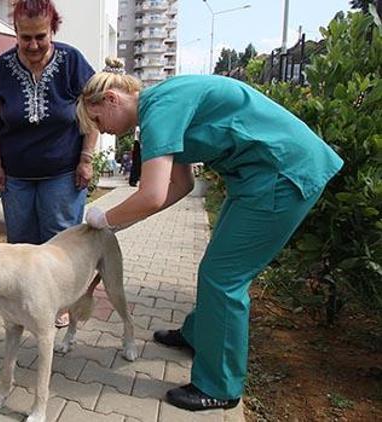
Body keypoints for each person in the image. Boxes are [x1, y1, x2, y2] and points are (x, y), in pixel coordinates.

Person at [77, 58, 343, 411]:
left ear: (111, 99)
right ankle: (200, 335)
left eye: (97, 120)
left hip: (283, 174)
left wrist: (103, 216)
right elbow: (181, 185)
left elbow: (153, 194)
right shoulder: (162, 105)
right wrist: (118, 222)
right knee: (215, 267)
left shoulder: (160, 109)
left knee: (223, 277)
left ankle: (219, 386)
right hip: (257, 178)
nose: (102, 130)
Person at [0, 0, 99, 328]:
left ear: (53, 31)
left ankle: (60, 306)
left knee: (61, 244)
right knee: (21, 244)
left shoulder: (72, 62)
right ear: (16, 33)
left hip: (63, 174)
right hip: (17, 176)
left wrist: (86, 159)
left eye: (40, 37)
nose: (33, 45)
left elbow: (92, 113)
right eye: (25, 37)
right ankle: (25, 307)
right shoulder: (3, 68)